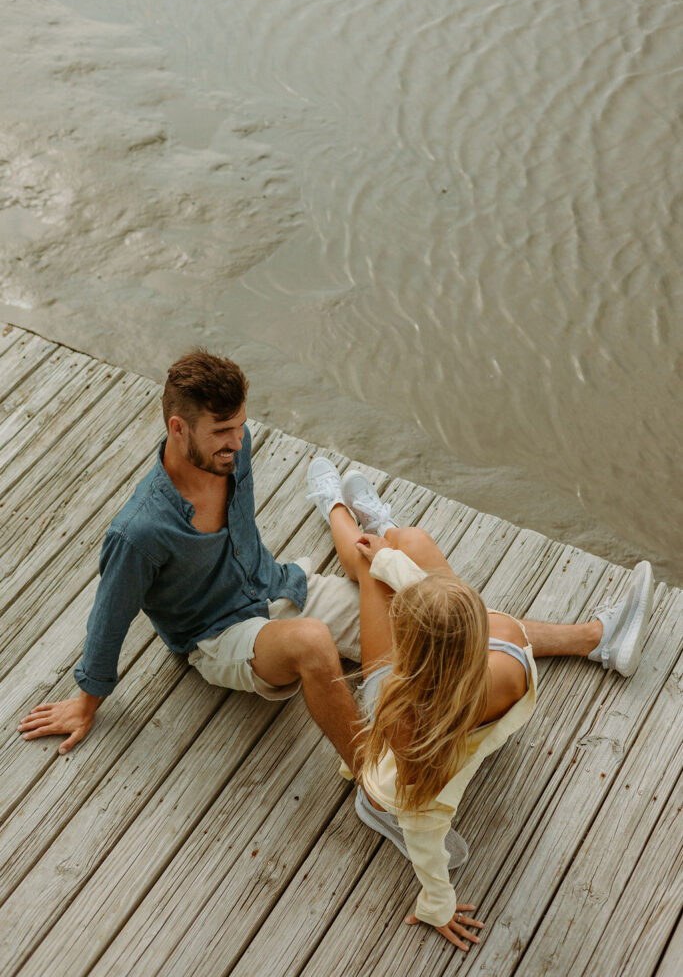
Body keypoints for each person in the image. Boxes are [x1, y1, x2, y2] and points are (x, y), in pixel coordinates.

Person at [305, 457, 654, 951]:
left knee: (369, 563)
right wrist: (393, 557)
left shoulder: (405, 721)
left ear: (411, 651)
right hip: (444, 714)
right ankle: (373, 521)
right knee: (409, 546)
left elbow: (424, 829)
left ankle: (335, 508)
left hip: (406, 748)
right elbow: (446, 607)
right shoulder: (502, 652)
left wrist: (437, 905)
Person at [18, 351, 364, 771]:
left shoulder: (236, 450)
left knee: (410, 612)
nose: (238, 442)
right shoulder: (140, 531)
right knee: (313, 642)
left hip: (276, 584)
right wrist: (85, 703)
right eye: (222, 431)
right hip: (221, 635)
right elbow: (110, 617)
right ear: (177, 429)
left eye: (240, 426)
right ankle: (376, 786)